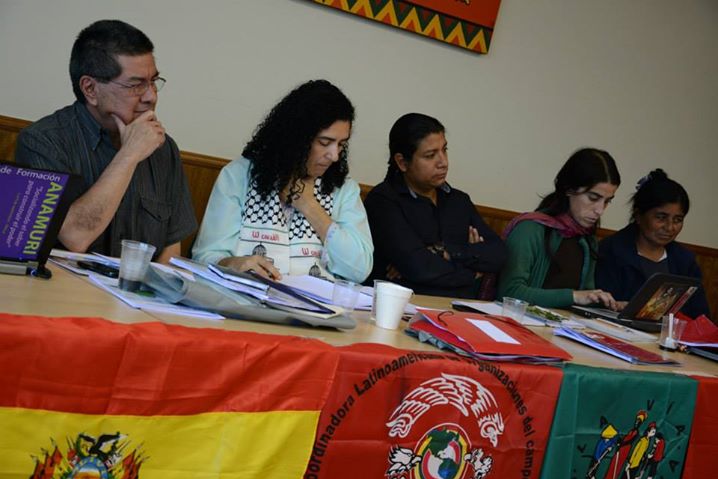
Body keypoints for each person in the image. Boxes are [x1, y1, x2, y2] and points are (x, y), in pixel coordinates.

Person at [14, 20, 196, 263]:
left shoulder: (163, 147)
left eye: (153, 81)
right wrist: (129, 155)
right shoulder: (43, 141)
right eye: (136, 85)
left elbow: (170, 254)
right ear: (90, 89)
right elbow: (75, 237)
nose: (151, 96)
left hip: (136, 287)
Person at [192, 80, 373, 282]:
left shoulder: (343, 189)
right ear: (297, 138)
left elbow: (359, 270)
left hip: (315, 302)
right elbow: (205, 256)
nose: (334, 155)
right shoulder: (240, 175)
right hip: (246, 297)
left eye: (341, 145)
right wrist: (233, 264)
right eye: (324, 142)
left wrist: (310, 206)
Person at [363, 113, 507, 298]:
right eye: (430, 155)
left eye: (444, 150)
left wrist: (446, 252)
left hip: (458, 307)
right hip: (403, 306)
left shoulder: (459, 200)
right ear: (402, 162)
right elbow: (419, 268)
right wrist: (473, 273)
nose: (443, 163)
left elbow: (499, 254)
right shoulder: (383, 200)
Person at [498, 148, 620, 308]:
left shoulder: (587, 240)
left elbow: (585, 297)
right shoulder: (529, 230)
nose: (600, 210)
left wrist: (611, 306)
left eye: (607, 201)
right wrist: (573, 296)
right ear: (569, 189)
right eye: (593, 198)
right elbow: (509, 292)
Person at [596, 169, 710, 318]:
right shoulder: (611, 251)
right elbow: (601, 308)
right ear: (638, 215)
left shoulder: (685, 262)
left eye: (678, 220)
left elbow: (701, 317)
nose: (670, 227)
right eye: (661, 217)